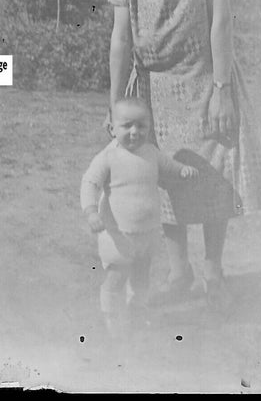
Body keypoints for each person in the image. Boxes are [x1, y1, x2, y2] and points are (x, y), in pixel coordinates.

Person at [108, 0, 261, 310]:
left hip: (205, 77)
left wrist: (221, 89)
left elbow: (220, 21)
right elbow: (120, 37)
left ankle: (213, 267)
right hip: (154, 88)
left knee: (215, 172)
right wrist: (116, 102)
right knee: (164, 179)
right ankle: (180, 273)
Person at [81, 98, 198, 336]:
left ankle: (138, 313)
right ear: (112, 128)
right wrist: (91, 211)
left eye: (142, 126)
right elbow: (89, 183)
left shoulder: (151, 152)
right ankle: (112, 319)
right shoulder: (108, 157)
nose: (135, 132)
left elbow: (169, 166)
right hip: (118, 234)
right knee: (117, 276)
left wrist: (182, 170)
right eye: (127, 126)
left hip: (147, 231)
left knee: (142, 276)